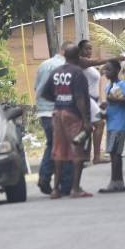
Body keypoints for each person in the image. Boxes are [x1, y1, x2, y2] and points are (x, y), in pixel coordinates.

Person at [40, 44, 94, 198]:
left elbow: (45, 93)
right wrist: (86, 121)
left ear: (65, 56)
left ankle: (55, 189)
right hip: (73, 116)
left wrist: (59, 100)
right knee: (78, 151)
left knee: (59, 151)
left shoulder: (56, 72)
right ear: (78, 57)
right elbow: (80, 98)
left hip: (57, 114)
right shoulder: (77, 73)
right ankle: (75, 189)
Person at [34, 43, 74, 195]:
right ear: (65, 51)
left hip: (44, 112)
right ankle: (64, 183)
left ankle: (45, 176)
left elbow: (37, 88)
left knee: (52, 144)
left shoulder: (44, 65)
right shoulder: (66, 67)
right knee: (65, 147)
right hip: (60, 111)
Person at [100, 60, 125, 194]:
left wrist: (116, 101)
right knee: (113, 153)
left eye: (108, 70)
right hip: (111, 122)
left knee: (116, 154)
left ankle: (115, 183)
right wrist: (105, 108)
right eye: (105, 70)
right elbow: (111, 104)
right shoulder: (108, 86)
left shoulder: (122, 84)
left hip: (120, 124)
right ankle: (117, 183)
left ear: (116, 71)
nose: (106, 72)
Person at [78, 40, 106, 165]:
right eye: (86, 49)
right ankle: (96, 156)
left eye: (90, 49)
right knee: (100, 123)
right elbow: (96, 61)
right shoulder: (80, 61)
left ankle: (85, 156)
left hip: (93, 100)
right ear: (80, 50)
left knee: (88, 127)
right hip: (87, 99)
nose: (89, 51)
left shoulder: (88, 66)